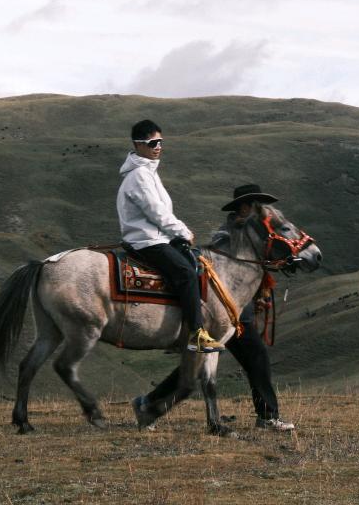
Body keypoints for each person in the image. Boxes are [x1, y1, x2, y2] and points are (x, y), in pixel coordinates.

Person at [136, 183, 296, 431]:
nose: (264, 211)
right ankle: (266, 417)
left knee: (247, 358)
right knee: (220, 361)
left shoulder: (257, 234)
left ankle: (149, 403)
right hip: (223, 309)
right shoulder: (227, 234)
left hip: (239, 310)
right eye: (258, 206)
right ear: (246, 208)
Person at [117, 119, 225, 354]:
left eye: (160, 142)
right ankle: (196, 334)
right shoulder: (139, 176)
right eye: (153, 142)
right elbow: (156, 212)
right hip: (146, 241)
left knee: (194, 265)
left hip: (156, 238)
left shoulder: (148, 173)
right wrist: (182, 231)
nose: (158, 147)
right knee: (186, 273)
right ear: (138, 145)